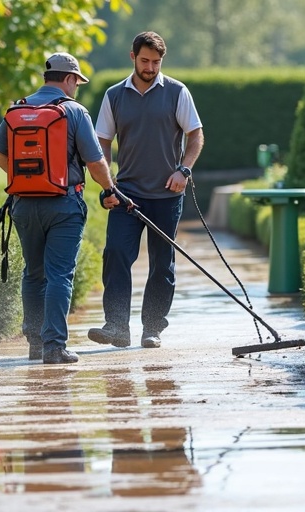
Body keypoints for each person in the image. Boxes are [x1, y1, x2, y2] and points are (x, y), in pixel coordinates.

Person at [0, 52, 117, 365]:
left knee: (34, 274)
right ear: (70, 79)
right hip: (63, 205)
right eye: (77, 82)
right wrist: (109, 189)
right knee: (59, 274)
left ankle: (35, 342)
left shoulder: (17, 108)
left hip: (23, 205)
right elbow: (95, 161)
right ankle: (54, 347)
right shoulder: (74, 111)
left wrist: (20, 179)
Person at [88, 31, 204, 350]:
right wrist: (107, 185)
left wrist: (184, 169)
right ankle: (116, 326)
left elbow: (195, 136)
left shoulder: (177, 92)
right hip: (126, 195)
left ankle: (152, 329)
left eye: (156, 62)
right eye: (145, 61)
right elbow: (101, 143)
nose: (150, 68)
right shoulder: (114, 95)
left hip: (167, 196)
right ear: (132, 57)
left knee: (161, 264)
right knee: (115, 255)